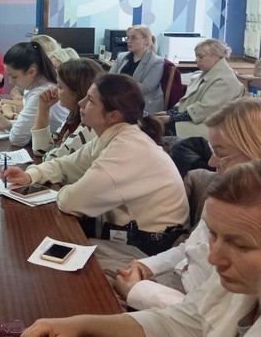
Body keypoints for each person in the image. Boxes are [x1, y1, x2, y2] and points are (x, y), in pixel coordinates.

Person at [21, 160, 261, 337]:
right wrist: (80, 324)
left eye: (240, 245)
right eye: (213, 235)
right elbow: (180, 322)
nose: (213, 257)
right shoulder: (238, 282)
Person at [3, 74, 188, 254]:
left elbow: (71, 202)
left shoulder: (126, 149)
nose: (81, 103)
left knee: (52, 250)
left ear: (113, 115)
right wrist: (30, 175)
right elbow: (63, 165)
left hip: (149, 246)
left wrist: (69, 189)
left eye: (90, 101)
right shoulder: (112, 136)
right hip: (127, 233)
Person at [112, 97, 261, 311]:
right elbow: (192, 248)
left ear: (255, 153)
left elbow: (212, 316)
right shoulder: (226, 192)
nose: (211, 162)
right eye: (212, 151)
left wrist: (137, 291)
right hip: (177, 282)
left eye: (221, 153)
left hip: (185, 303)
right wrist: (147, 266)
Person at [0, 41, 69, 147]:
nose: (10, 81)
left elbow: (17, 139)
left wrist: (11, 125)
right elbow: (28, 126)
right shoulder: (37, 85)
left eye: (14, 76)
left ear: (31, 72)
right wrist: (8, 124)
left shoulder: (40, 93)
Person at [155, 39, 245, 137]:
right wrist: (169, 113)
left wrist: (171, 118)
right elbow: (186, 101)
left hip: (210, 127)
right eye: (196, 56)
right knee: (154, 124)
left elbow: (204, 110)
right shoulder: (208, 73)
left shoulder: (225, 80)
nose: (196, 60)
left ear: (215, 56)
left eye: (200, 56)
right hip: (197, 121)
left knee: (158, 129)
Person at [32, 58, 104, 161]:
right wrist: (43, 108)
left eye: (60, 86)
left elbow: (51, 160)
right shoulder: (73, 117)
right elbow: (41, 150)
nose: (54, 89)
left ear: (78, 93)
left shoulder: (89, 125)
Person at [109, 25, 164, 113]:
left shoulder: (156, 62)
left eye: (133, 38)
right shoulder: (121, 56)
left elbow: (145, 88)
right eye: (128, 38)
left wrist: (119, 86)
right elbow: (109, 78)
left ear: (146, 41)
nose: (129, 41)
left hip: (143, 103)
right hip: (121, 100)